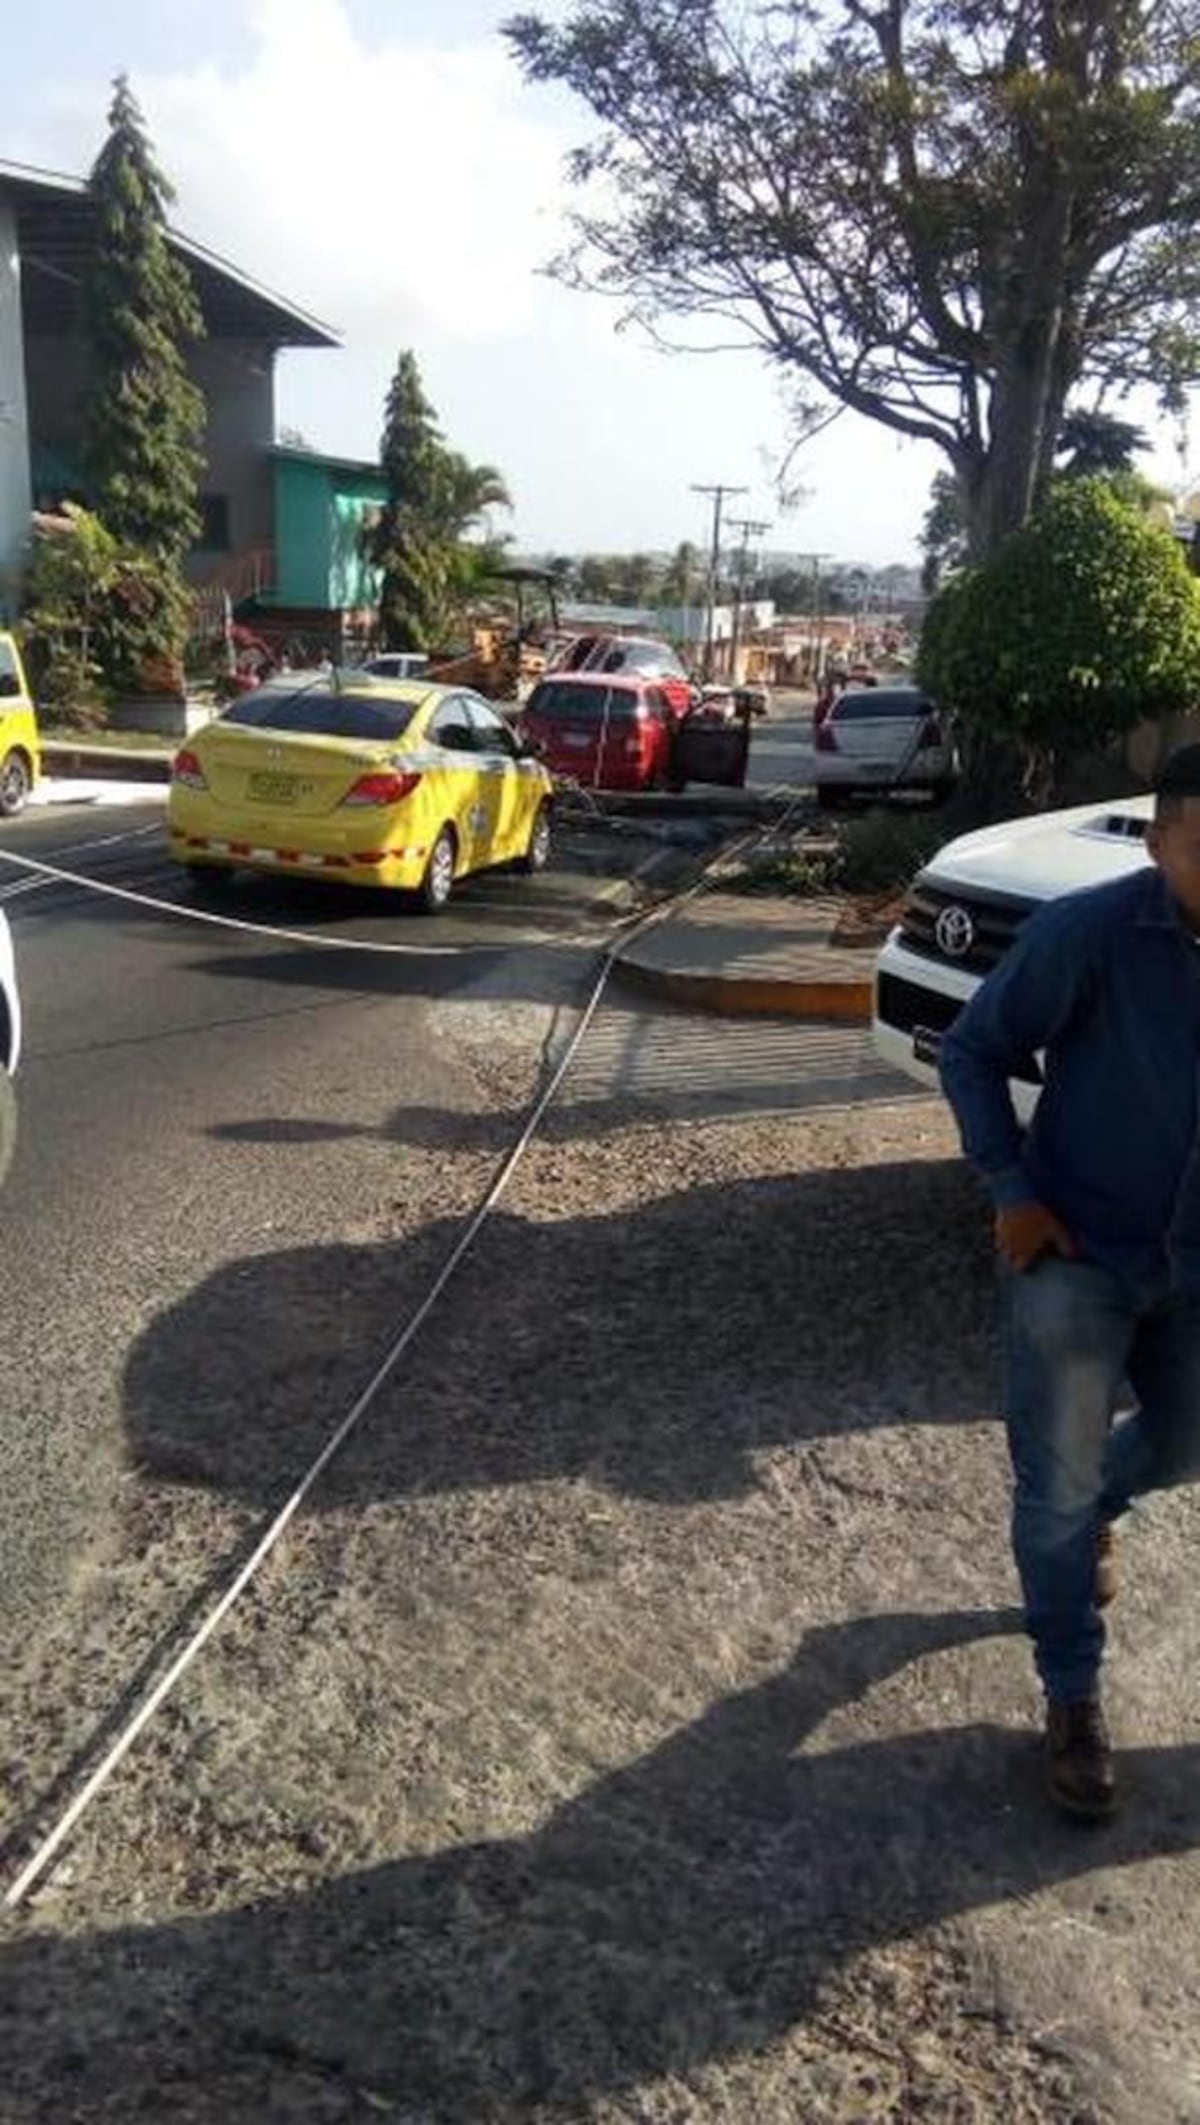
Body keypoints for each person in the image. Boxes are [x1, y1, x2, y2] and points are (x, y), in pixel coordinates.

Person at [940, 743, 1200, 1821]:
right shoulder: (1091, 932)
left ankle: (1106, 1503)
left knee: (1187, 1441)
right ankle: (1073, 1697)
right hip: (1077, 1251)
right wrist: (1009, 1188)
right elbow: (973, 1047)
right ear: (1161, 843)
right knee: (1050, 1490)